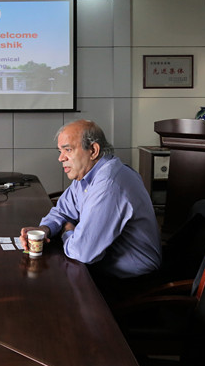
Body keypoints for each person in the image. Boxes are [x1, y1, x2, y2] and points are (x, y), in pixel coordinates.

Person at [20, 120, 161, 285]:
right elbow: (62, 211)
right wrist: (45, 229)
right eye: (60, 151)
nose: (60, 158)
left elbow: (82, 253)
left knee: (44, 284)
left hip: (132, 282)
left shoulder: (109, 184)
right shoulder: (86, 175)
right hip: (100, 267)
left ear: (93, 150)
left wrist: (67, 231)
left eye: (68, 150)